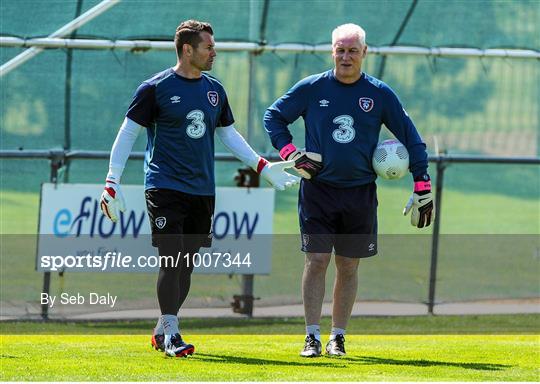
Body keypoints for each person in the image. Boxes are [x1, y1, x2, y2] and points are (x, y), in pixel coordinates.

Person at [99, 19, 299, 358]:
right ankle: (173, 336)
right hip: (163, 186)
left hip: (202, 191)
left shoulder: (215, 90)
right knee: (171, 259)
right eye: (208, 47)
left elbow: (228, 134)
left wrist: (262, 166)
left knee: (186, 264)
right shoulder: (155, 88)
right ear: (187, 49)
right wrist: (112, 182)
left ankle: (164, 328)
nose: (214, 52)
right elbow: (127, 134)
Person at [263, 23, 434, 357]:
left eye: (352, 50)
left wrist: (422, 183)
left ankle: (337, 337)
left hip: (359, 194)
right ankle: (311, 336)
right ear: (332, 52)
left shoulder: (380, 94)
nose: (345, 56)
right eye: (340, 50)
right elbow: (274, 117)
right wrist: (291, 154)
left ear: (365, 53)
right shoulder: (312, 88)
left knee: (349, 266)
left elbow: (412, 139)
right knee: (316, 260)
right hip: (318, 191)